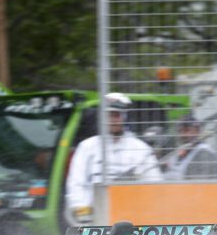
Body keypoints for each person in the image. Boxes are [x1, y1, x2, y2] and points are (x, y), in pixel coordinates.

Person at [65, 93, 160, 224]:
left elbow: (154, 185)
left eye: (116, 115)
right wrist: (82, 211)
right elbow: (76, 183)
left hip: (133, 218)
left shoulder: (141, 149)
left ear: (125, 117)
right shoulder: (86, 147)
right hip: (93, 218)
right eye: (108, 115)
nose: (112, 120)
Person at [164, 115, 217, 179]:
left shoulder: (205, 153)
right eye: (180, 131)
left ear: (197, 131)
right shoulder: (180, 152)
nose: (182, 135)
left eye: (187, 130)